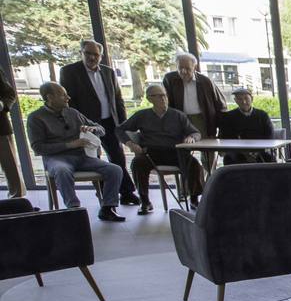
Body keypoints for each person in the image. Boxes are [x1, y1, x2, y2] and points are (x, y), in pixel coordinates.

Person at [25, 82, 125, 221]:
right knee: (62, 171)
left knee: (115, 170)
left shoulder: (73, 112)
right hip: (56, 158)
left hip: (83, 157)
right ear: (50, 97)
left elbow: (101, 129)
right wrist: (69, 145)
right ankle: (74, 209)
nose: (68, 98)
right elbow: (38, 147)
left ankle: (108, 208)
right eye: (63, 95)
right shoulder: (35, 118)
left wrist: (92, 129)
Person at [59, 39, 138, 206]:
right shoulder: (69, 72)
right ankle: (105, 197)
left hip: (109, 121)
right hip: (86, 125)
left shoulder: (108, 72)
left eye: (96, 54)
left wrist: (122, 124)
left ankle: (126, 193)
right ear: (81, 53)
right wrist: (75, 124)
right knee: (95, 160)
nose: (92, 57)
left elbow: (117, 99)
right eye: (88, 53)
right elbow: (68, 101)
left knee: (117, 157)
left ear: (101, 56)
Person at [117, 83, 205, 214]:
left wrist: (192, 137)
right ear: (149, 99)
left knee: (194, 164)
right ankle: (145, 201)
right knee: (137, 163)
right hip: (151, 153)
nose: (163, 99)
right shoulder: (142, 115)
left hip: (175, 152)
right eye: (158, 96)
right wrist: (130, 143)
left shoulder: (178, 115)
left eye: (164, 95)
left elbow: (196, 132)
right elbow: (119, 130)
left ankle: (194, 199)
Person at [163, 52, 227, 139]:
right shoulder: (169, 79)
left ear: (194, 67)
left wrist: (220, 125)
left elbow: (220, 103)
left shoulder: (205, 81)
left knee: (206, 146)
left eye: (187, 68)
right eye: (180, 68)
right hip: (180, 118)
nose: (183, 71)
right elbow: (164, 101)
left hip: (201, 118)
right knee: (182, 145)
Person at [217, 86, 278, 164]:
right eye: (240, 99)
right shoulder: (229, 117)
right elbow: (226, 137)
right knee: (231, 157)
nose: (244, 102)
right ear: (236, 101)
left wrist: (256, 152)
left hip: (260, 150)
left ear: (252, 99)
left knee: (269, 157)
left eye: (246, 98)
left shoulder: (262, 115)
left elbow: (270, 135)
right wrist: (245, 153)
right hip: (238, 151)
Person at [0, 67, 22, 198]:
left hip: (0, 128)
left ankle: (17, 201)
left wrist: (2, 104)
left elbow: (10, 94)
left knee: (10, 167)